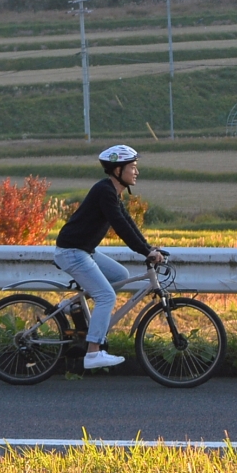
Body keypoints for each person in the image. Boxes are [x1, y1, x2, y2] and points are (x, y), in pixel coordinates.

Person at [54, 143, 167, 370]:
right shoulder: (105, 191)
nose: (136, 171)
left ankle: (72, 306)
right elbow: (120, 227)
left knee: (119, 274)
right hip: (72, 252)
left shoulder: (113, 192)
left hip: (83, 250)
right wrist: (146, 252)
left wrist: (148, 247)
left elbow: (128, 223)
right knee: (106, 296)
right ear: (118, 170)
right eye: (132, 167)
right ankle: (94, 352)